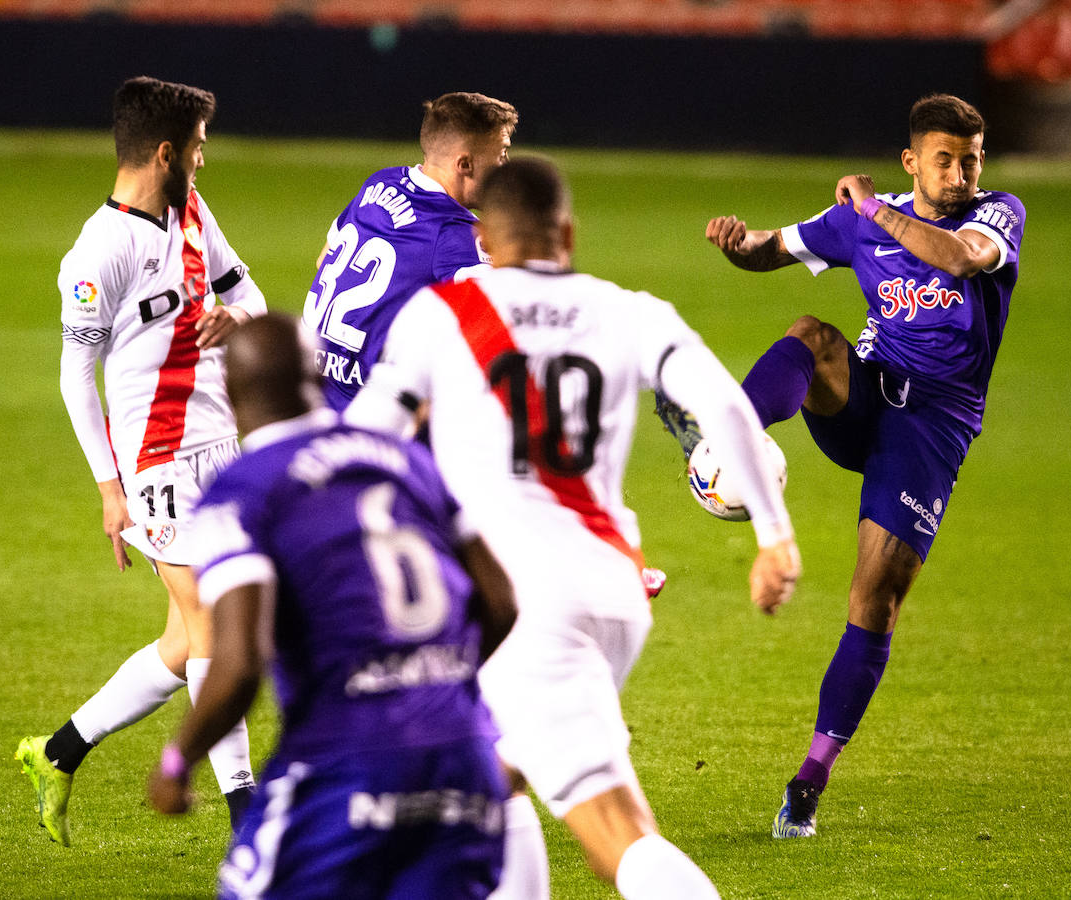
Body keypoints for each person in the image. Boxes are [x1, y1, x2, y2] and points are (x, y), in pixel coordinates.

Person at [345, 157, 801, 899]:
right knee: (489, 784)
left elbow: (368, 440)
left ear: (483, 238)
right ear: (568, 232)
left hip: (518, 606)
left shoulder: (443, 313)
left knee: (617, 835)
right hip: (610, 590)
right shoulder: (630, 310)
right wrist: (773, 535)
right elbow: (725, 407)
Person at [701, 93, 1025, 838]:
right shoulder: (865, 215)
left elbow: (957, 256)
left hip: (932, 427)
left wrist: (873, 212)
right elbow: (771, 246)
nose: (960, 173)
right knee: (812, 335)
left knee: (872, 600)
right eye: (944, 159)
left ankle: (809, 780)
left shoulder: (997, 215)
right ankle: (730, 443)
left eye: (971, 158)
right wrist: (735, 242)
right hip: (869, 395)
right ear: (912, 161)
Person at [148, 312, 518, 899]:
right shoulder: (408, 460)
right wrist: (438, 683)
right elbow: (500, 602)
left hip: (344, 762)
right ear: (317, 377)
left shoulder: (242, 491)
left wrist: (177, 761)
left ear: (230, 393)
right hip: (463, 759)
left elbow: (239, 661)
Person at [16, 75, 265, 846]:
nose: (203, 160)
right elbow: (73, 376)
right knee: (217, 632)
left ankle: (56, 752)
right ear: (166, 152)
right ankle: (246, 816)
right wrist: (109, 489)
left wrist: (238, 316)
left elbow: (244, 289)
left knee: (187, 644)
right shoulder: (99, 251)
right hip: (157, 464)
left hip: (222, 445)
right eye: (197, 148)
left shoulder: (191, 210)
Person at [301, 91, 518, 411]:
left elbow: (324, 258)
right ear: (465, 164)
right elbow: (507, 323)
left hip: (308, 389)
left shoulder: (379, 183)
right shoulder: (455, 233)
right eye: (501, 154)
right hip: (363, 416)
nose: (506, 166)